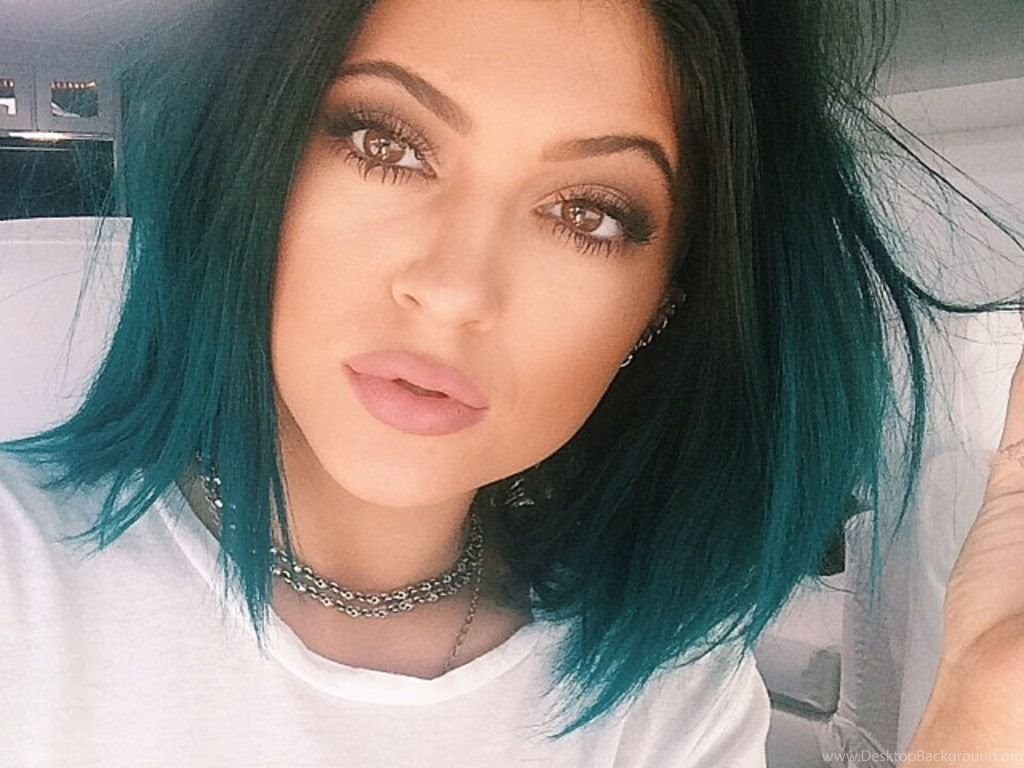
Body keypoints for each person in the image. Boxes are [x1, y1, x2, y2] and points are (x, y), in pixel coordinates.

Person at [0, 0, 1021, 765]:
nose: (455, 290)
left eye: (587, 213)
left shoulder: (666, 692)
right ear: (250, 166)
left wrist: (981, 715)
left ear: (659, 307)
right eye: (387, 144)